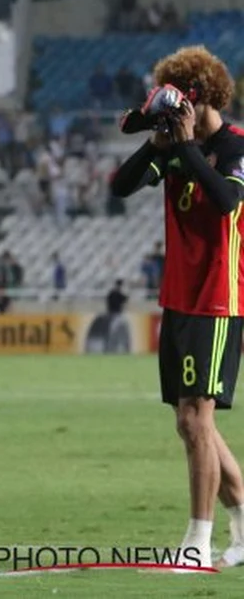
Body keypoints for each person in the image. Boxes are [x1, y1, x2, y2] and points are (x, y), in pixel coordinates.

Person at [110, 45, 244, 569]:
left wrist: (186, 146)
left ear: (201, 96)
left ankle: (197, 542)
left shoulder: (234, 146)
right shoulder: (173, 145)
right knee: (191, 424)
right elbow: (120, 187)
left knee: (197, 417)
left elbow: (227, 200)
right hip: (179, 296)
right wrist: (155, 143)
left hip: (219, 295)